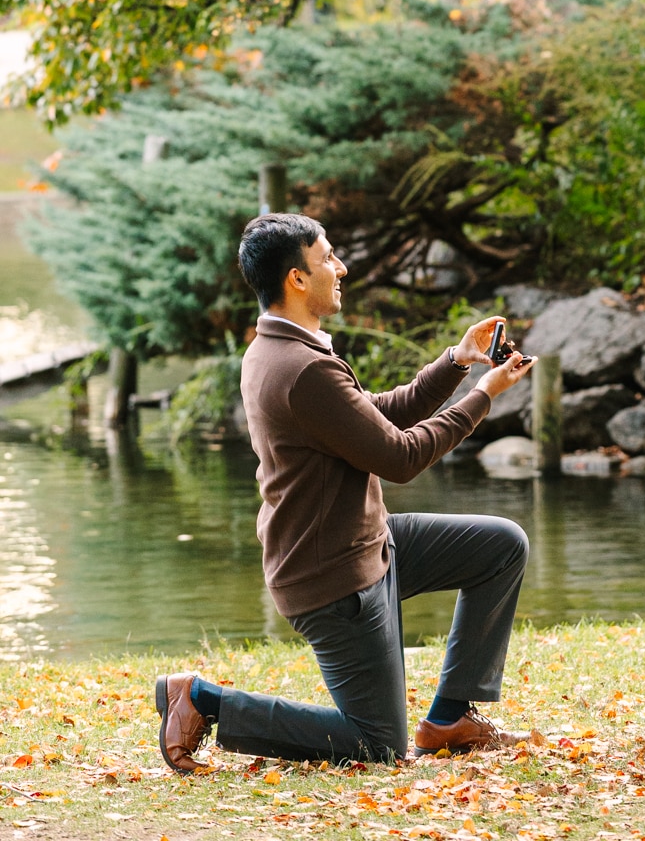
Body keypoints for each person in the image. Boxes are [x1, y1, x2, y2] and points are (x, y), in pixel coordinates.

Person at [154, 211, 535, 772]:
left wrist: (456, 362)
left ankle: (451, 716)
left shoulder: (282, 348)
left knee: (500, 545)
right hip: (334, 577)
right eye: (328, 257)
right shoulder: (300, 368)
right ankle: (202, 699)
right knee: (375, 744)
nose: (342, 267)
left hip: (368, 545)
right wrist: (482, 395)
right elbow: (399, 457)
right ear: (297, 280)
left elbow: (376, 415)